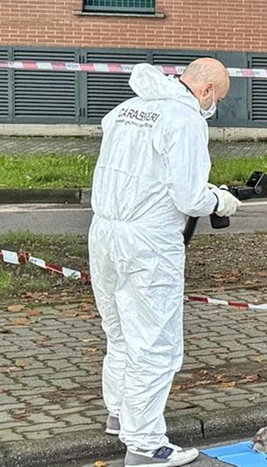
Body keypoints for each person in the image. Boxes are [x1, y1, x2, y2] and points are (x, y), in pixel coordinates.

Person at [90, 58, 240, 467]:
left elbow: (145, 173)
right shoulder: (185, 119)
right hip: (149, 242)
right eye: (218, 99)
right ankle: (144, 445)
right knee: (155, 344)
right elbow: (189, 196)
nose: (214, 107)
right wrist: (219, 199)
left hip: (104, 230)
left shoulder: (126, 110)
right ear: (206, 90)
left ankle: (120, 413)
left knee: (119, 333)